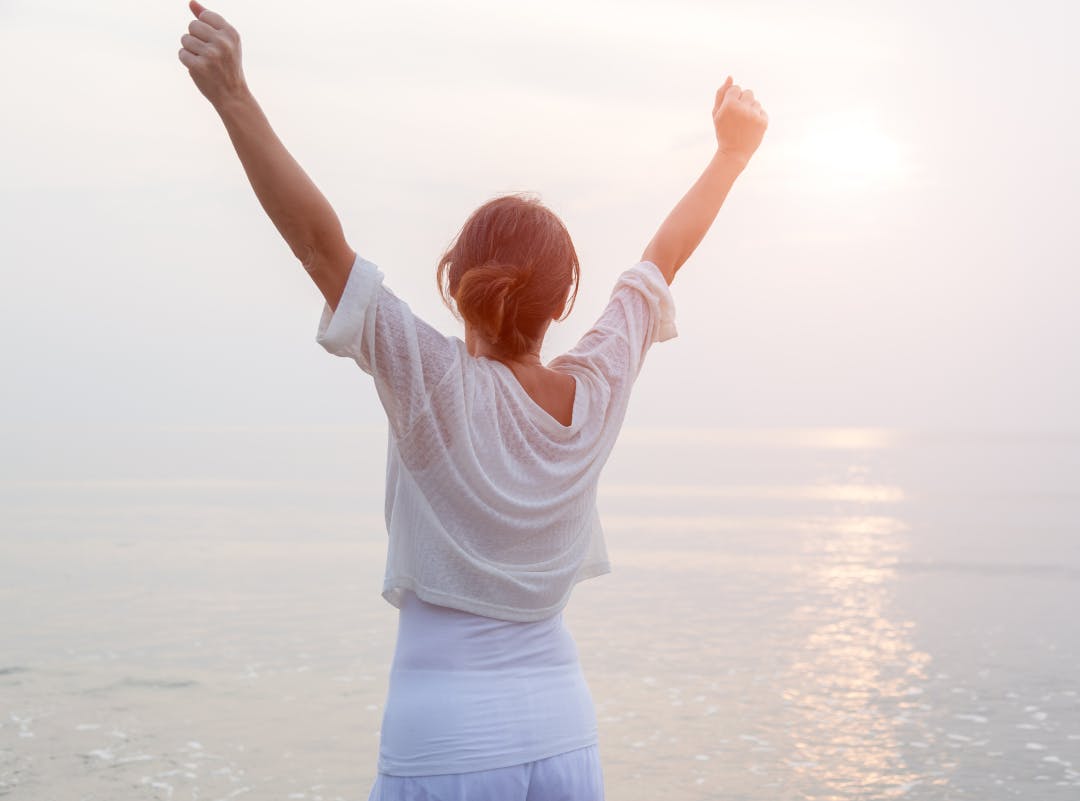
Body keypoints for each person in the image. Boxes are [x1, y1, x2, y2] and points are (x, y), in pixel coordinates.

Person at [177, 3, 768, 798]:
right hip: (565, 729)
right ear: (561, 304)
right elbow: (663, 258)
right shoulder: (596, 389)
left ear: (457, 283)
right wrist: (732, 154)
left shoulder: (432, 380)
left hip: (447, 737)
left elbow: (320, 246)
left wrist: (233, 98)